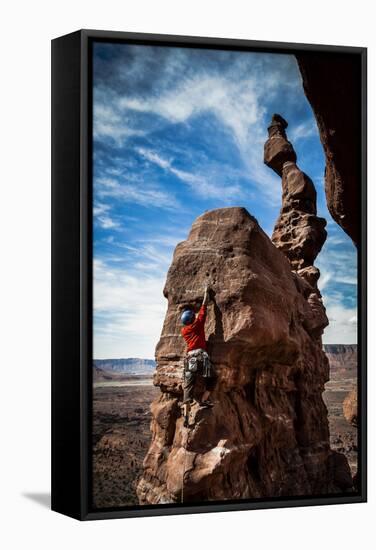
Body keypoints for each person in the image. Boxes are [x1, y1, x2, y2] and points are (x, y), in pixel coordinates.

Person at [180, 284, 216, 427]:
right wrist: (206, 292)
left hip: (189, 360)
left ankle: (186, 419)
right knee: (213, 378)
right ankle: (204, 399)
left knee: (187, 390)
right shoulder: (198, 324)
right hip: (201, 357)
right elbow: (204, 307)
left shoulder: (184, 331)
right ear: (193, 319)